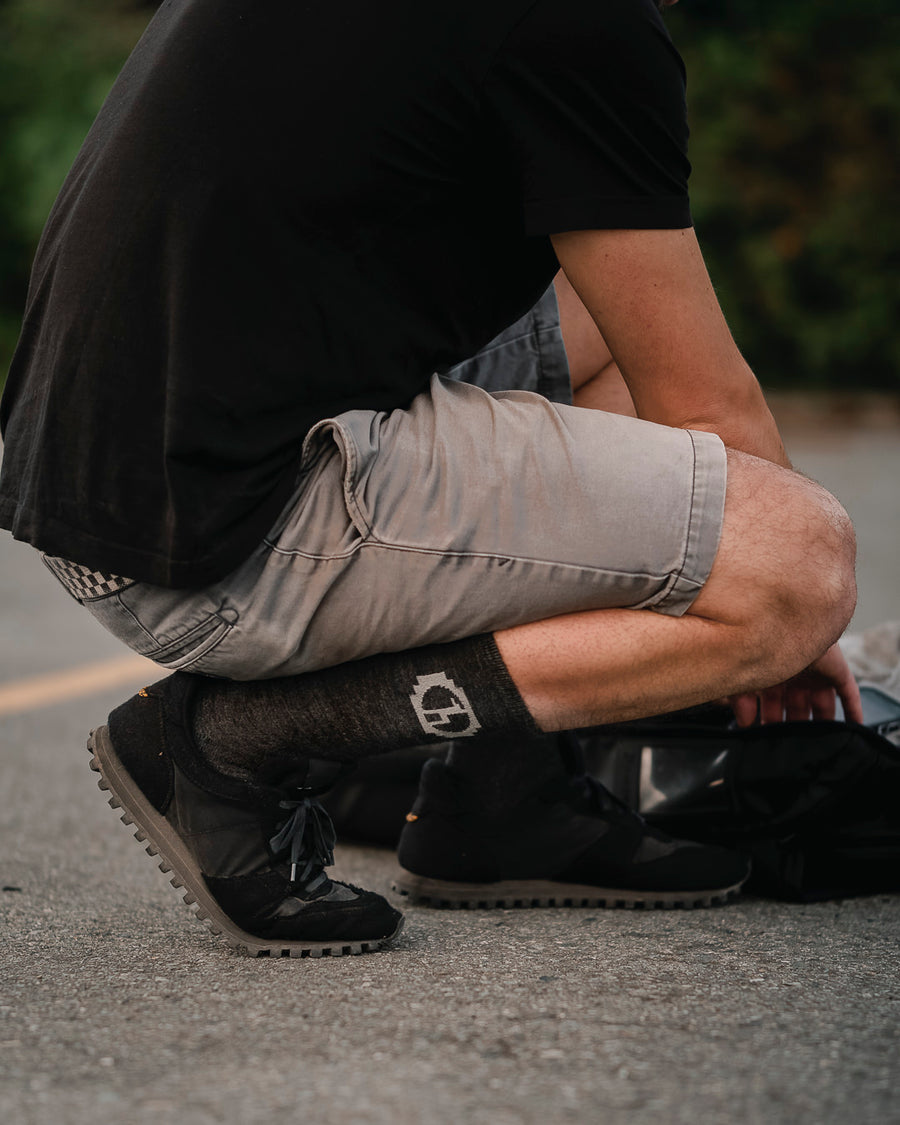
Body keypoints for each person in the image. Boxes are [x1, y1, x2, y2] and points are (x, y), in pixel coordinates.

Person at [0, 0, 860, 957]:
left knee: (609, 327)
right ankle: (238, 738)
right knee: (797, 562)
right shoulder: (587, 24)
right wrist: (792, 629)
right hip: (215, 545)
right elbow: (708, 405)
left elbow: (648, 352)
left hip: (111, 478)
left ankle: (504, 795)